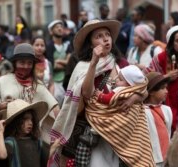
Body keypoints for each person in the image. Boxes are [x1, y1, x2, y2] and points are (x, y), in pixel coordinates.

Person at [49, 19, 154, 167]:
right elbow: (86, 94)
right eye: (98, 36)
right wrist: (94, 62)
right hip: (98, 135)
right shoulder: (82, 67)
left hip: (125, 135)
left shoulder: (122, 63)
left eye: (107, 35)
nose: (105, 39)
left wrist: (134, 98)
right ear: (90, 43)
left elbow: (143, 90)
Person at [0, 43, 59, 166]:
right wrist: (4, 105)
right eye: (22, 62)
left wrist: (63, 124)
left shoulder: (38, 85)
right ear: (15, 63)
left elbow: (54, 106)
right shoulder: (3, 81)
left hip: (29, 136)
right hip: (4, 134)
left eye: (29, 63)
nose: (26, 66)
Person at [0, 99, 60, 167]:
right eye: (26, 119)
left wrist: (55, 145)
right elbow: (2, 155)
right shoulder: (11, 142)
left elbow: (45, 156)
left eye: (31, 119)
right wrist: (1, 132)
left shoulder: (36, 142)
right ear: (16, 121)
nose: (30, 123)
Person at [144, 72, 172, 167]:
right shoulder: (143, 111)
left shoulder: (167, 110)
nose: (166, 91)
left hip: (167, 158)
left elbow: (168, 133)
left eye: (166, 88)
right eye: (162, 88)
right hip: (151, 159)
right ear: (151, 91)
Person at [46, 20, 72, 106]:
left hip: (67, 80)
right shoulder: (49, 46)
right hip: (55, 81)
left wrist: (59, 61)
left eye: (61, 26)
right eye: (57, 27)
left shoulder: (67, 45)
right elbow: (52, 66)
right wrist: (66, 64)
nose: (60, 28)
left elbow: (70, 62)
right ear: (51, 31)